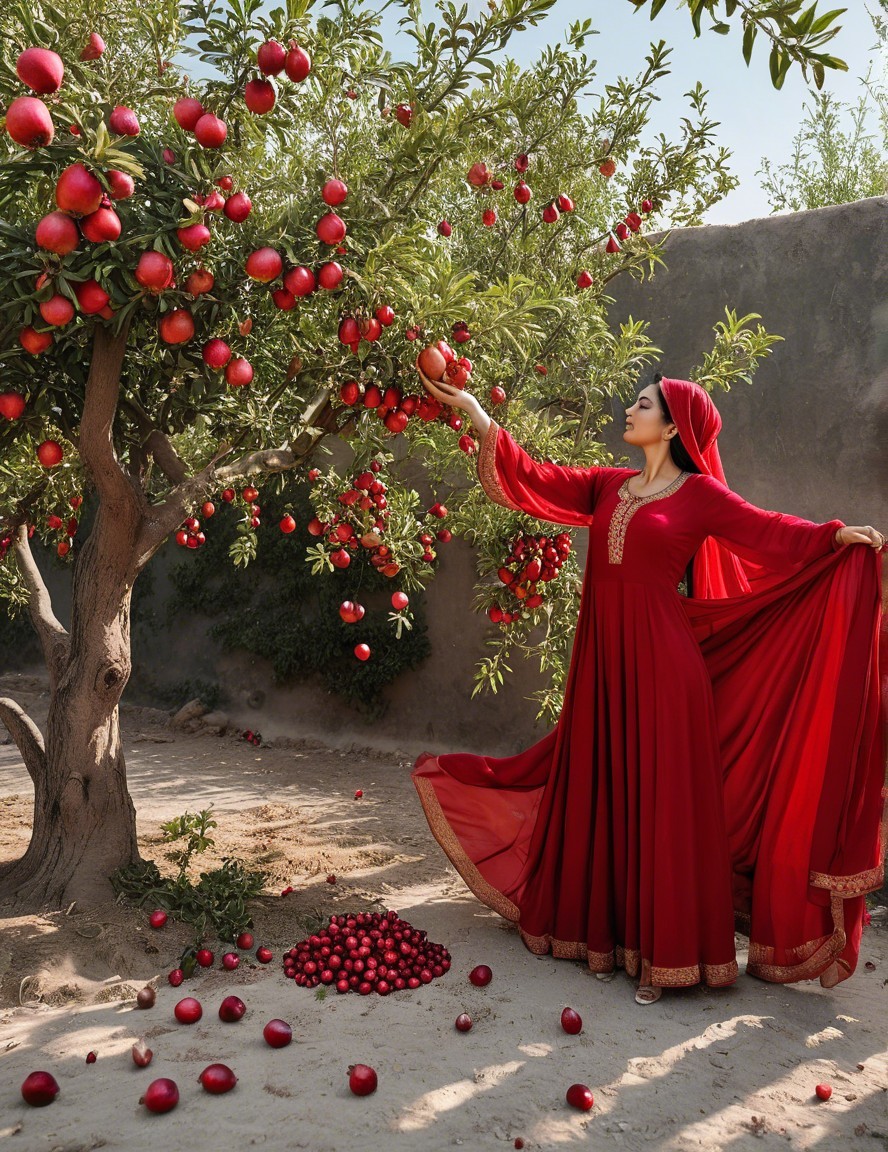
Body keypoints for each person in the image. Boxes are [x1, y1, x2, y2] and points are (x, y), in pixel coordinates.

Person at [411, 365, 886, 1005]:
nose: (628, 412)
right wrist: (475, 411)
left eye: (642, 405)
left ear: (672, 424)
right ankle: (602, 938)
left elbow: (768, 531)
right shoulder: (609, 486)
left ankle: (670, 959)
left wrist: (834, 537)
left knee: (662, 802)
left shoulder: (701, 495)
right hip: (603, 667)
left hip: (667, 668)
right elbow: (536, 475)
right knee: (606, 786)